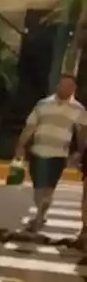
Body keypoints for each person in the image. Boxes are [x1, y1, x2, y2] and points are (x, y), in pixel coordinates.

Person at [14, 72, 85, 239]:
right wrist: (20, 145)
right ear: (57, 86)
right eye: (63, 85)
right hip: (38, 151)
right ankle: (41, 212)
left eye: (69, 86)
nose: (66, 88)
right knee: (39, 188)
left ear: (74, 89)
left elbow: (81, 133)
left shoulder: (78, 109)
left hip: (58, 154)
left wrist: (80, 152)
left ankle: (39, 217)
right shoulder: (43, 104)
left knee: (49, 189)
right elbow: (30, 126)